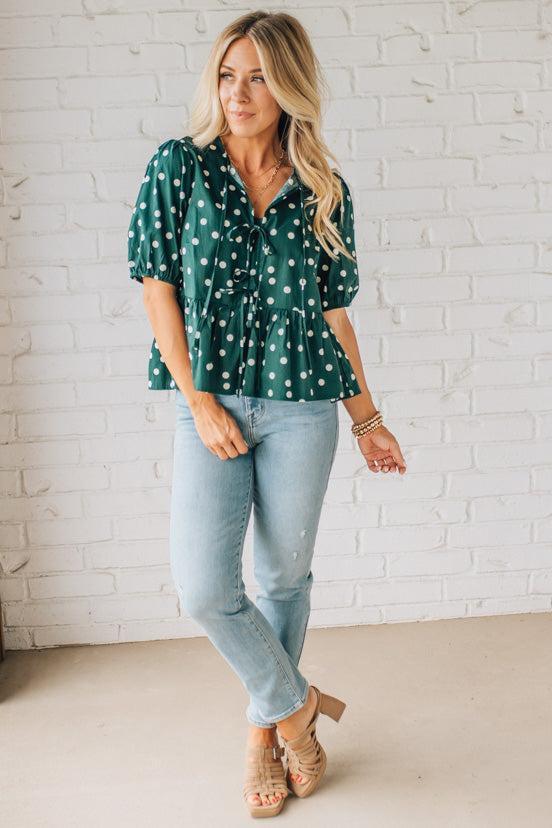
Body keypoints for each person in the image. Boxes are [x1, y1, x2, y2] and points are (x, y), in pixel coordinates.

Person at [127, 9, 407, 819]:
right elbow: (158, 290)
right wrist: (199, 400)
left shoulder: (323, 188)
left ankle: (262, 738)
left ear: (287, 86)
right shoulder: (179, 167)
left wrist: (366, 419)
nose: (239, 93)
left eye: (257, 76)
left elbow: (335, 318)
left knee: (284, 577)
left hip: (302, 409)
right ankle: (298, 707)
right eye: (227, 74)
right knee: (205, 588)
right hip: (208, 401)